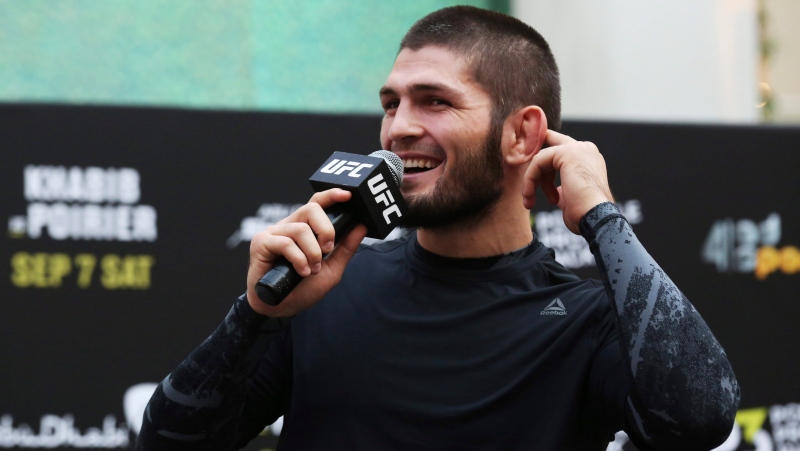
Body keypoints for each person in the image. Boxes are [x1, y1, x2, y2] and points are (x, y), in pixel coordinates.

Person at [136, 6, 739, 450]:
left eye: (434, 102)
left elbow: (698, 419)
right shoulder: (321, 288)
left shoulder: (587, 318)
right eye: (390, 103)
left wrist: (603, 217)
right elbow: (170, 443)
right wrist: (256, 316)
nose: (397, 128)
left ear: (521, 135)